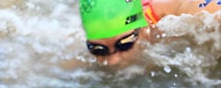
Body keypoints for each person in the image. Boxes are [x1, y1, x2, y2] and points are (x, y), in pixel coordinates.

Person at [79, 0, 221, 66]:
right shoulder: (74, 45)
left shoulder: (183, 15)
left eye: (124, 44)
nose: (112, 61)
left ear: (144, 28)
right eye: (98, 50)